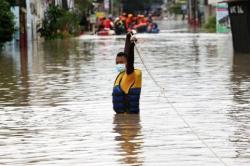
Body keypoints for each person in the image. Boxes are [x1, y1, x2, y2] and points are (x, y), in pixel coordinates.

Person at [112, 32, 142, 114]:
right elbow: (126, 54)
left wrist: (132, 45)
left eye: (121, 62)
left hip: (129, 122)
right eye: (117, 63)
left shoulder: (130, 74)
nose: (119, 64)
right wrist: (128, 38)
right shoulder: (122, 75)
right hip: (120, 120)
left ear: (126, 63)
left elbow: (130, 59)